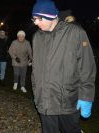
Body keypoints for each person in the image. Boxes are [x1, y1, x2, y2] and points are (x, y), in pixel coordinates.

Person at [31, 0, 96, 133]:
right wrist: (36, 89)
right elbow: (35, 69)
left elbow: (87, 66)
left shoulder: (75, 33)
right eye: (34, 19)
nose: (36, 22)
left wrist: (86, 96)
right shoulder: (36, 37)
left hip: (67, 101)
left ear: (51, 16)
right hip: (44, 102)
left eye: (39, 18)